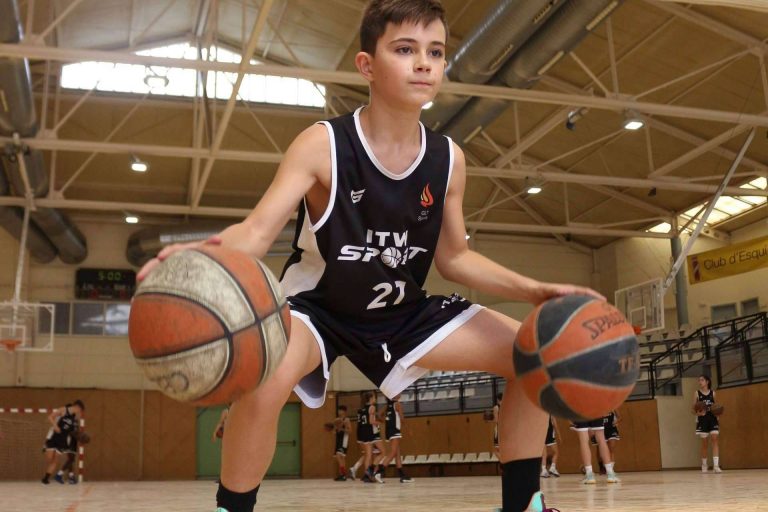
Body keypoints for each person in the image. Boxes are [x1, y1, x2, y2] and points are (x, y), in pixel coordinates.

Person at [138, 1, 602, 510]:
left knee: (530, 355)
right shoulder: (322, 144)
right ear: (367, 66)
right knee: (264, 383)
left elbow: (455, 260)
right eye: (405, 50)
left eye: (435, 52)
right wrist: (199, 256)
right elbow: (256, 231)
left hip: (402, 310)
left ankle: (522, 505)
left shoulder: (449, 159)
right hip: (317, 308)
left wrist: (534, 291)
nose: (423, 63)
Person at [41, 400, 84, 485]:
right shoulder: (63, 410)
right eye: (80, 410)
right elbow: (50, 417)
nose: (79, 412)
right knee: (49, 458)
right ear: (77, 407)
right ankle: (45, 447)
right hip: (54, 437)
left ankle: (45, 478)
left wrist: (80, 436)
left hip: (63, 440)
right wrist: (55, 426)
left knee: (55, 461)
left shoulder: (74, 417)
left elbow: (72, 431)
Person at [377, 394, 413, 483]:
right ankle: (379, 472)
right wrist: (409, 429)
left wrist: (385, 421)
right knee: (393, 453)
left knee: (397, 453)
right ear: (394, 396)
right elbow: (402, 418)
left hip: (389, 431)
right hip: (395, 430)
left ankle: (402, 475)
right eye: (398, 392)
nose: (400, 394)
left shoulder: (387, 405)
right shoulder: (397, 404)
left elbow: (378, 414)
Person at [571, 418, 619, 484]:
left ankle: (589, 474)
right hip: (596, 410)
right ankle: (610, 473)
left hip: (581, 411)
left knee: (584, 440)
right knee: (601, 439)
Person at [694, 374, 721, 473]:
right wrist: (698, 413)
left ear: (707, 382)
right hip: (702, 420)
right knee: (705, 443)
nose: (700, 382)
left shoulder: (713, 393)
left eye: (702, 380)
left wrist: (718, 414)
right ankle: (704, 465)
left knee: (714, 439)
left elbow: (716, 406)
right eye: (699, 380)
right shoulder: (697, 393)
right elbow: (693, 409)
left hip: (712, 418)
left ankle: (716, 466)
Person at [332, 405, 352, 481]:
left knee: (339, 456)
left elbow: (350, 431)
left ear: (344, 412)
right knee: (341, 458)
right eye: (338, 410)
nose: (339, 412)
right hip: (338, 439)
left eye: (340, 410)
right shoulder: (337, 420)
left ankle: (343, 474)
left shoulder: (347, 420)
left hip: (344, 440)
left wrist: (342, 429)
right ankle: (342, 475)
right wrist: (335, 429)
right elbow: (334, 431)